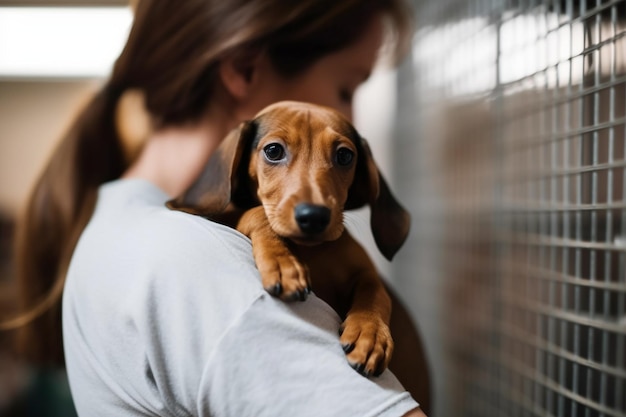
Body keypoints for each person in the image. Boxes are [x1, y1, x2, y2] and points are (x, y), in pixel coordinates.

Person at [11, 0, 430, 415]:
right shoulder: (195, 260)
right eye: (347, 89)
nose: (351, 116)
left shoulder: (114, 221)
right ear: (244, 71)